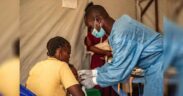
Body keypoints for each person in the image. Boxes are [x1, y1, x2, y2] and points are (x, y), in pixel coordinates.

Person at [79, 5, 163, 96]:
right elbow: (116, 62)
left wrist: (94, 80)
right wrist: (96, 72)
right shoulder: (121, 24)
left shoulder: (120, 35)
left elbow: (119, 71)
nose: (91, 31)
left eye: (91, 27)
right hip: (156, 64)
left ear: (98, 20)